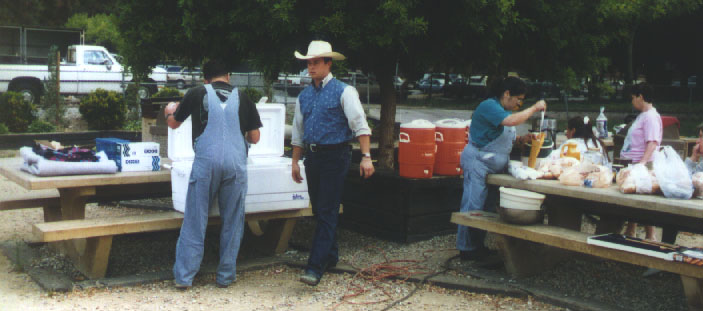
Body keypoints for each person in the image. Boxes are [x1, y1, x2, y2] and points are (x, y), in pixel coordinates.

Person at [164, 60, 262, 289]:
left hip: (206, 165)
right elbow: (255, 137)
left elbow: (174, 125)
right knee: (233, 222)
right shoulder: (244, 98)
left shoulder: (197, 93)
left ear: (205, 79)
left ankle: (184, 278)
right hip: (236, 167)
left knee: (195, 221)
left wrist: (169, 112)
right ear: (228, 75)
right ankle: (226, 276)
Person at [290, 40, 374, 285]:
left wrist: (366, 157)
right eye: (308, 62)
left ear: (328, 63)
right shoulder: (304, 96)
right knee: (320, 209)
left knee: (326, 210)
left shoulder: (344, 91)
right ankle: (331, 255)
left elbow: (360, 125)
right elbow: (298, 132)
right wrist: (295, 162)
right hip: (313, 157)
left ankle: (314, 267)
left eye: (316, 62)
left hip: (336, 155)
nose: (311, 67)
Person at [456, 77, 546, 260]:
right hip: (478, 161)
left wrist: (523, 140)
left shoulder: (503, 111)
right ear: (506, 94)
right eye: (518, 99)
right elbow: (512, 121)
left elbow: (506, 139)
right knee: (473, 206)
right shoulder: (490, 106)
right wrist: (534, 108)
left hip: (494, 166)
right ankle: (467, 249)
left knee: (488, 207)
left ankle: (478, 245)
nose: (519, 104)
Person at [620, 83, 662, 241]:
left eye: (633, 98)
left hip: (644, 164)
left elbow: (652, 142)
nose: (632, 101)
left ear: (640, 97)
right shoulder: (643, 115)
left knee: (645, 202)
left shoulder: (651, 116)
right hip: (635, 162)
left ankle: (651, 236)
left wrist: (642, 164)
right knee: (635, 200)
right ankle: (631, 231)